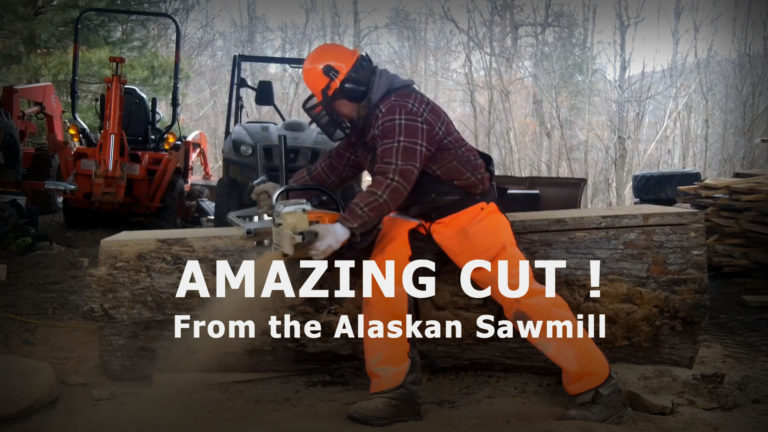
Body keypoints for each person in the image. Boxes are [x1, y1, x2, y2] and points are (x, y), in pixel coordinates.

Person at [251, 43, 631, 427]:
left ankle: (599, 387)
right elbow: (332, 168)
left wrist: (345, 226)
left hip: (464, 207)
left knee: (518, 295)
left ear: (348, 89)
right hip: (414, 216)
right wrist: (286, 191)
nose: (331, 113)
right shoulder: (367, 123)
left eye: (331, 102)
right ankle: (394, 391)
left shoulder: (401, 110)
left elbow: (393, 181)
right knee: (382, 283)